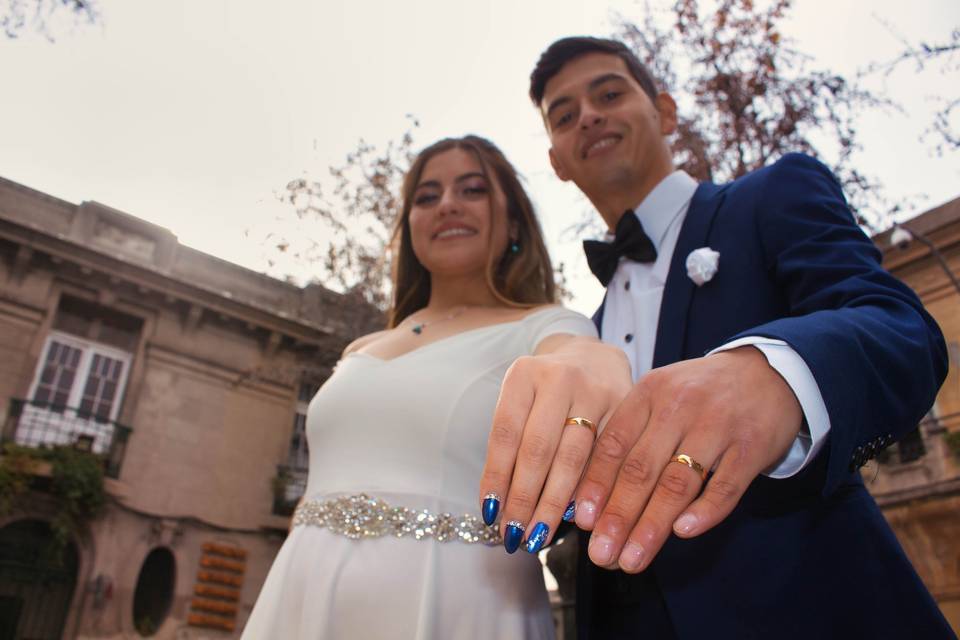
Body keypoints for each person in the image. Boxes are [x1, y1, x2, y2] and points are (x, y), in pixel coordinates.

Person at [479, 37, 955, 639]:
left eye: (608, 93)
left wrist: (776, 375)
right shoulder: (583, 334)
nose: (589, 116)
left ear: (666, 112)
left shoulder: (772, 195)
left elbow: (902, 330)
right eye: (564, 115)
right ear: (558, 161)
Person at [240, 135, 631, 639]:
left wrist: (596, 368)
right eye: (427, 197)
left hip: (463, 605)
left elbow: (581, 361)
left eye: (471, 190)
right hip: (301, 596)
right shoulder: (360, 348)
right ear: (410, 226)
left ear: (512, 220)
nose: (447, 204)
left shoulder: (547, 325)